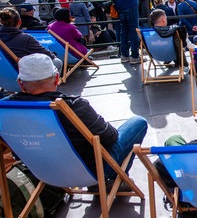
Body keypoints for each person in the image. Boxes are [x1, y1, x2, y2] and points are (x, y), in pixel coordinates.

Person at [10, 53, 148, 184]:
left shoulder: (6, 109)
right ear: (57, 78)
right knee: (138, 123)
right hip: (90, 172)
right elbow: (110, 137)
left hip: (41, 173)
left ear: (20, 83)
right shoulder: (73, 106)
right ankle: (115, 180)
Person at [0, 7, 62, 71]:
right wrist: (54, 54)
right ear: (19, 22)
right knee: (57, 62)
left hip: (3, 73)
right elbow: (48, 55)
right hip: (23, 74)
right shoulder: (25, 38)